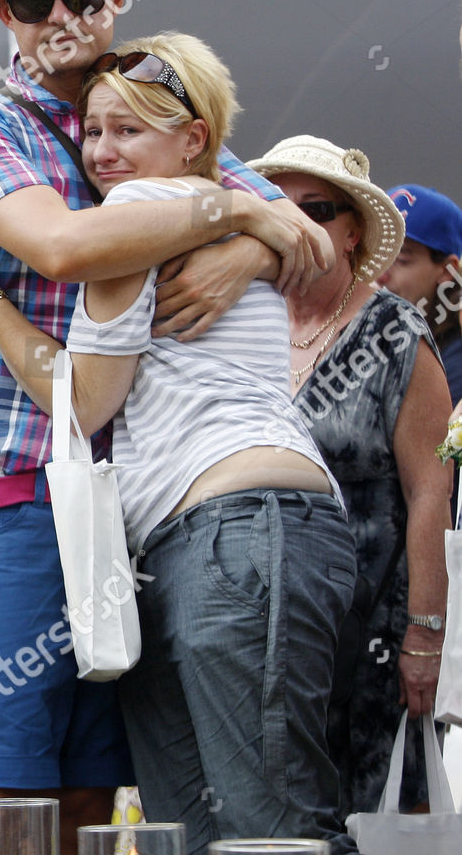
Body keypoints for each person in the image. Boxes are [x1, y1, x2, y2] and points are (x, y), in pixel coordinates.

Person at [0, 0, 332, 847]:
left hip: (135, 496)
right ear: (1, 14)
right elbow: (63, 247)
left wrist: (250, 243)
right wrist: (234, 214)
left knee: (96, 792)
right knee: (0, 789)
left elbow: (320, 247)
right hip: (9, 474)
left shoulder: (148, 104)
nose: (59, 16)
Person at [249, 137, 452, 819]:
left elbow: (431, 492)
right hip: (263, 627)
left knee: (371, 813)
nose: (299, 222)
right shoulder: (241, 325)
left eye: (320, 208)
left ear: (353, 230)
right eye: (282, 205)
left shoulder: (396, 330)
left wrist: (424, 636)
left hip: (370, 635)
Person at [380, 184, 462, 402]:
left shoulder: (454, 361)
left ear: (447, 270)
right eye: (376, 253)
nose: (380, 275)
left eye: (401, 259)